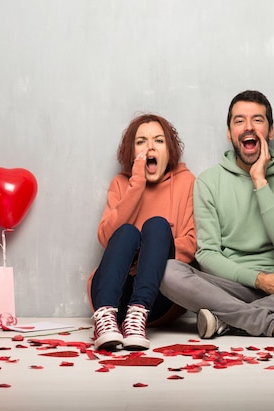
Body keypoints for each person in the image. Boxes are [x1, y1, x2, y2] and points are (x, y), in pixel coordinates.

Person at [160, 90, 274, 341]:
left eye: (257, 120)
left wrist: (260, 181)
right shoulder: (209, 182)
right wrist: (258, 280)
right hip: (228, 288)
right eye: (239, 121)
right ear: (229, 133)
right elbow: (206, 254)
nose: (248, 127)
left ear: (270, 131)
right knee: (166, 271)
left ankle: (229, 322)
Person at [87, 114, 196, 351]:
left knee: (157, 225)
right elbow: (107, 237)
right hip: (114, 293)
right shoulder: (121, 184)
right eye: (141, 142)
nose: (149, 147)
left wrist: (149, 259)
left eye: (158, 140)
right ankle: (104, 320)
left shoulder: (187, 182)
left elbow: (189, 245)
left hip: (158, 296)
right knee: (126, 232)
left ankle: (137, 318)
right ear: (131, 151)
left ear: (169, 149)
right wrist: (136, 184)